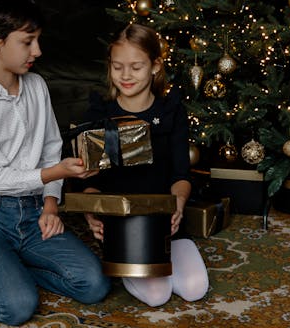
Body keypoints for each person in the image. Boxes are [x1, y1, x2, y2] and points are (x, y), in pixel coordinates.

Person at [0, 0, 111, 326]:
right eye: (27, 42)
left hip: (34, 212)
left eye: (37, 41)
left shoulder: (36, 86)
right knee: (17, 308)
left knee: (94, 285)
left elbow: (52, 146)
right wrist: (56, 172)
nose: (37, 52)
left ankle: (10, 266)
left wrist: (51, 206)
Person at [80, 23, 209, 307]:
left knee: (195, 288)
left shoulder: (171, 109)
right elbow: (86, 180)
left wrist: (177, 204)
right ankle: (123, 262)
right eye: (117, 67)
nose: (125, 76)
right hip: (120, 226)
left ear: (155, 66)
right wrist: (93, 213)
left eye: (136, 67)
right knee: (156, 295)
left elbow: (181, 174)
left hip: (165, 222)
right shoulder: (100, 112)